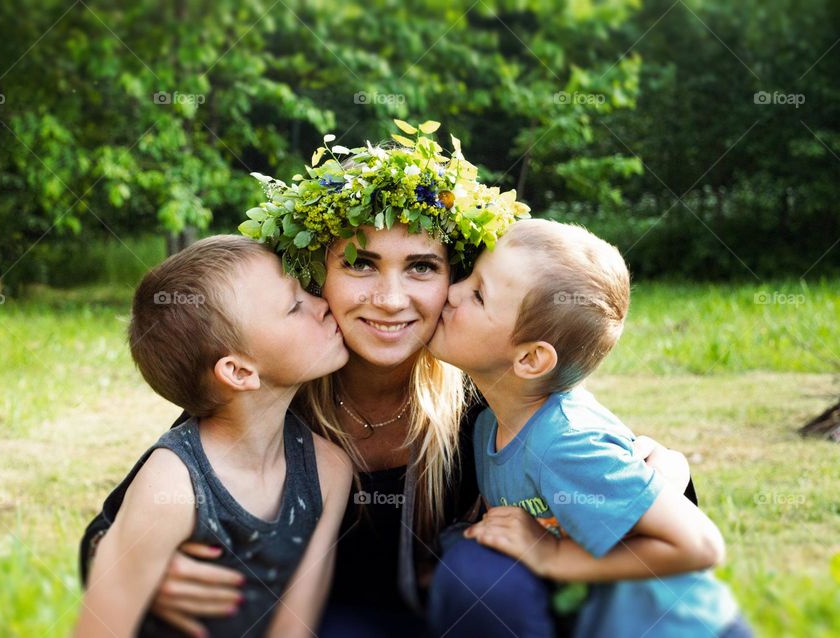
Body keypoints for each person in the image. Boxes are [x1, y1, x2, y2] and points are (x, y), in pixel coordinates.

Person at [78, 121, 695, 638]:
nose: (391, 299)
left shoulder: (481, 395)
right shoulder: (274, 388)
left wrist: (666, 471)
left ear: (455, 280)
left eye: (422, 266)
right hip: (323, 622)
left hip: (446, 620)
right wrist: (129, 560)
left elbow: (597, 467)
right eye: (361, 263)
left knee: (487, 581)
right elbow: (137, 508)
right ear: (318, 272)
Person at [427, 218, 752, 638]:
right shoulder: (491, 423)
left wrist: (554, 555)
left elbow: (700, 545)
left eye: (477, 294)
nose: (450, 292)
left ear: (530, 359)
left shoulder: (568, 441)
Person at [74, 235, 354, 638]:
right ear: (239, 372)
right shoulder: (171, 485)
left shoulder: (329, 470)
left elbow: (294, 627)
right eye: (295, 306)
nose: (323, 303)